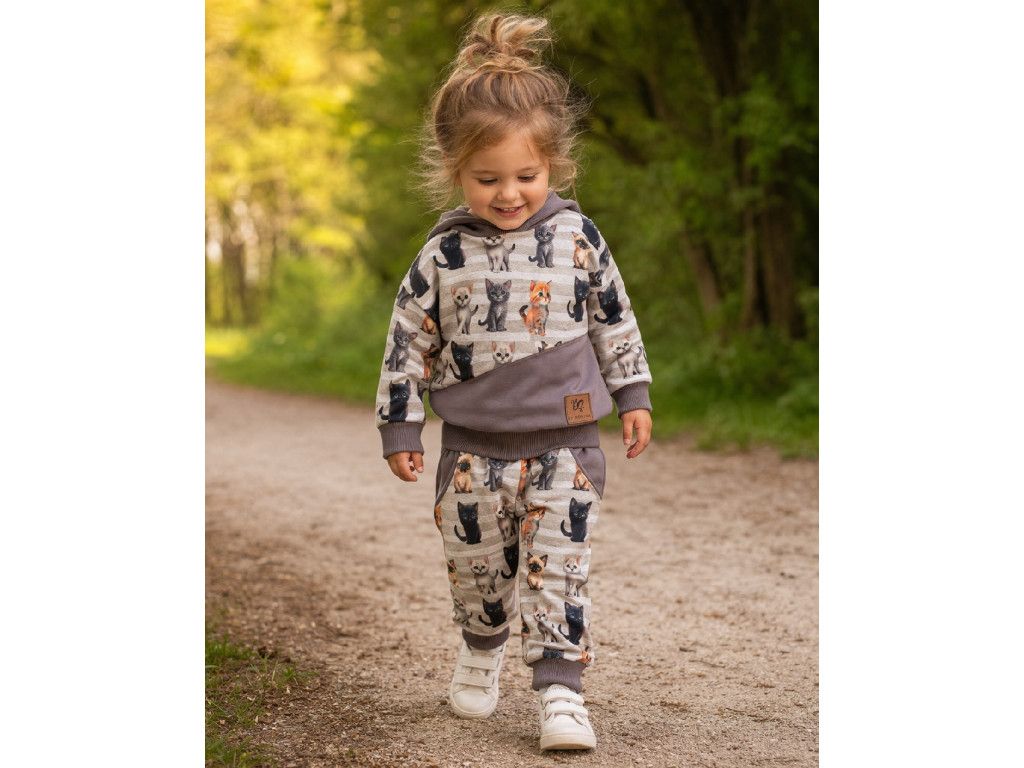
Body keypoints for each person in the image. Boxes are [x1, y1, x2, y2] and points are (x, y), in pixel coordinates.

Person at [374, 12, 652, 752]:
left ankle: (562, 692)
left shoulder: (578, 238)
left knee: (559, 570)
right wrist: (401, 423)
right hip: (471, 450)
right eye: (487, 179)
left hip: (567, 443)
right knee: (477, 573)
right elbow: (408, 339)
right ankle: (481, 641)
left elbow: (613, 318)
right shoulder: (443, 256)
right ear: (454, 171)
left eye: (526, 176)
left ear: (553, 166)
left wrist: (632, 394)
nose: (508, 194)